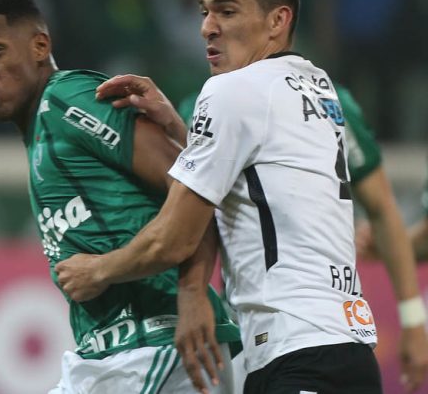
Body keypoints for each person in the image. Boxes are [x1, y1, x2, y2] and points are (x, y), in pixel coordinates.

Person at [55, 0, 395, 394]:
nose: (207, 27)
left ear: (278, 20)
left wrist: (98, 271)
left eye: (227, 11)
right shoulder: (315, 84)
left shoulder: (230, 90)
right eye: (204, 11)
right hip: (347, 352)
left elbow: (173, 238)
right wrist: (180, 127)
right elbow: (253, 172)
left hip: (297, 352)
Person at [0, 0, 240, 394]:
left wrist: (193, 293)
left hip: (153, 344)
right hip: (115, 354)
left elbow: (193, 184)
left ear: (40, 46)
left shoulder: (66, 98)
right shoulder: (41, 132)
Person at [181, 83, 428, 390]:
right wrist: (191, 292)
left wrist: (413, 318)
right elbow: (190, 216)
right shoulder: (202, 106)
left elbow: (381, 209)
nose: (208, 32)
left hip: (314, 327)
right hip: (247, 326)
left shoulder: (327, 100)